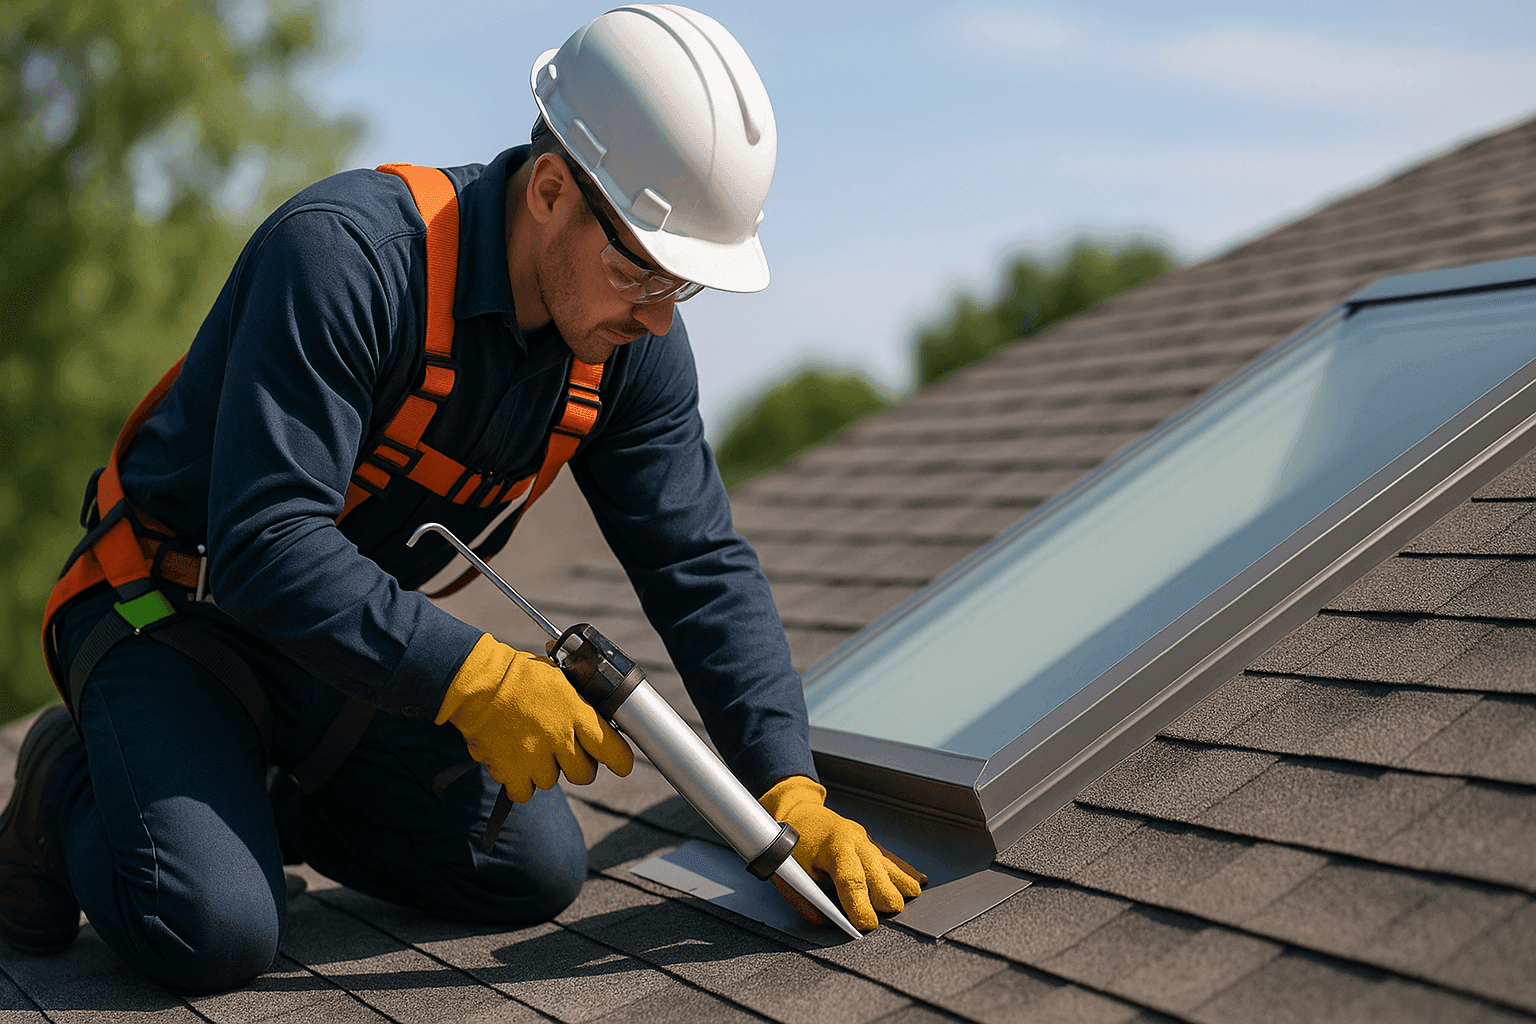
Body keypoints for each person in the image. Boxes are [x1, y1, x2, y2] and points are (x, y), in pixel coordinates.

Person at [0, 5, 923, 995]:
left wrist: (786, 783)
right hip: (166, 613)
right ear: (554, 189)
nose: (656, 317)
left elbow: (696, 562)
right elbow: (267, 543)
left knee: (529, 866)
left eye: (683, 287)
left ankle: (238, 791)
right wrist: (479, 680)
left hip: (324, 652)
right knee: (212, 930)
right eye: (640, 272)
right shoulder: (347, 260)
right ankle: (71, 778)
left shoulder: (624, 349)